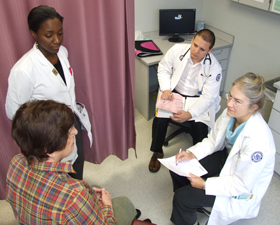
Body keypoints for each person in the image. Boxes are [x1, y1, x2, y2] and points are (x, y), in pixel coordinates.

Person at [6, 100, 140, 225]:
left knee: (93, 188)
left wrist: (86, 198)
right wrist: (107, 208)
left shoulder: (16, 162)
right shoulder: (75, 197)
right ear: (49, 150)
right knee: (123, 203)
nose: (75, 132)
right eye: (69, 131)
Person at [170, 73, 276, 225]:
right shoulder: (231, 115)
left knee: (182, 198)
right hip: (226, 158)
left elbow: (240, 184)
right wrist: (191, 154)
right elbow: (212, 141)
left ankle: (188, 203)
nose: (230, 104)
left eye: (238, 101)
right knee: (178, 168)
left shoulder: (259, 142)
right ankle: (193, 203)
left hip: (239, 187)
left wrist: (205, 185)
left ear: (253, 107)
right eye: (230, 96)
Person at [5, 5, 92, 180]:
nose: (56, 40)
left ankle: (79, 199)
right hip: (49, 137)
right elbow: (14, 112)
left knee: (77, 164)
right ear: (33, 34)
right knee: (57, 181)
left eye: (60, 33)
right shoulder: (23, 70)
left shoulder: (62, 54)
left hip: (70, 124)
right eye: (49, 35)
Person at [149, 29, 222, 173]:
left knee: (200, 128)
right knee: (160, 119)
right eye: (195, 45)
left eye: (202, 49)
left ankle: (195, 160)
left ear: (210, 50)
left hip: (198, 98)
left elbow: (208, 97)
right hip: (175, 92)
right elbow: (163, 68)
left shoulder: (215, 68)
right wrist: (166, 88)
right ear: (193, 39)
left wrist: (190, 114)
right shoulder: (178, 50)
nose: (196, 51)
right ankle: (157, 152)